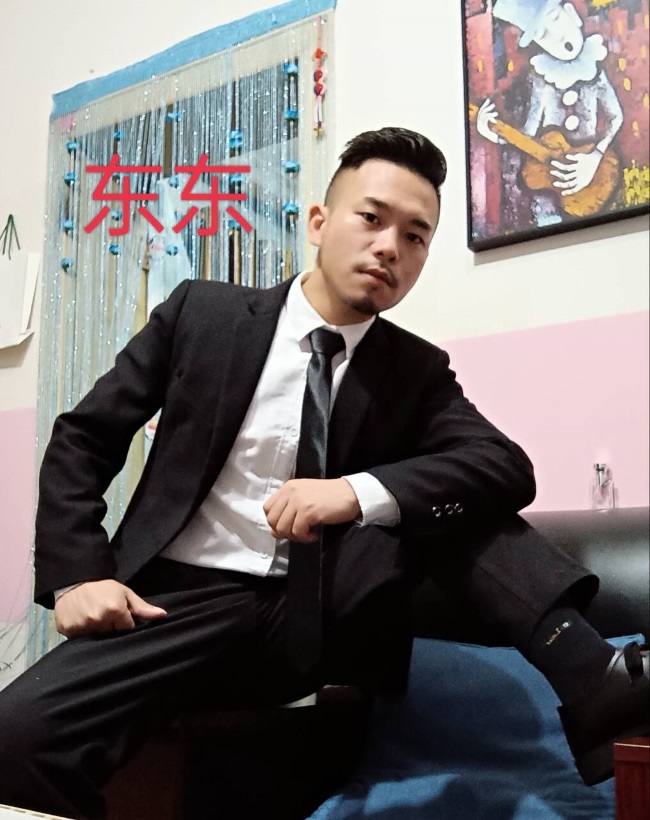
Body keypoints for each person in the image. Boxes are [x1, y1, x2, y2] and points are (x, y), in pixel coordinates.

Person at [0, 127, 646, 820]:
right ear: (318, 221)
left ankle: (593, 675)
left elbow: (504, 466)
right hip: (175, 605)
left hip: (318, 611)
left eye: (416, 236)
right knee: (16, 737)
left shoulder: (414, 370)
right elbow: (85, 437)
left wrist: (355, 493)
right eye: (371, 218)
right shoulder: (203, 315)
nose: (390, 247)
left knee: (451, 494)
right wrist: (78, 576)